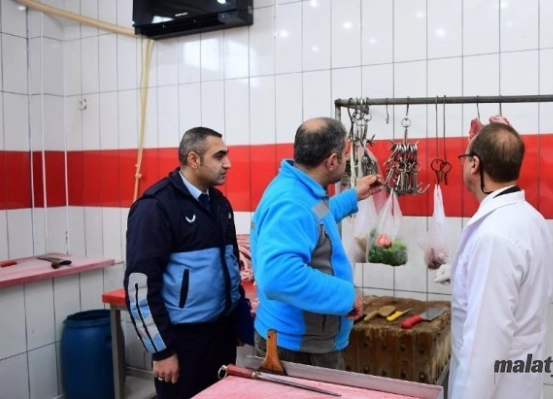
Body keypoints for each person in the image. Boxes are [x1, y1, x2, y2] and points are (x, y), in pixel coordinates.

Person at [124, 127, 247, 399]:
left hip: (221, 336)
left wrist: (236, 318)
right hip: (182, 341)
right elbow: (139, 289)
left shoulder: (219, 204)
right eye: (219, 156)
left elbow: (230, 267)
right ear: (194, 160)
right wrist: (162, 350)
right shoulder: (155, 207)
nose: (228, 163)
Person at [250, 117, 382, 369]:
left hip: (302, 339)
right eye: (344, 156)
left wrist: (353, 195)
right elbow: (279, 276)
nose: (345, 162)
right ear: (332, 161)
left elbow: (316, 216)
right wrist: (347, 296)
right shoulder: (291, 202)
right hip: (298, 348)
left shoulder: (299, 187)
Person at [448, 122, 553, 398]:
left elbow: (485, 342)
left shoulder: (493, 235)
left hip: (496, 387)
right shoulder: (530, 217)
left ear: (475, 165)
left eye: (465, 158)